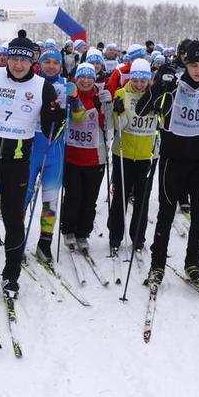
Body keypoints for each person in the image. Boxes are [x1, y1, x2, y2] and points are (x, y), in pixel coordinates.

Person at [0, 30, 65, 297]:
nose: (18, 65)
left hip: (16, 161)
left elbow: (52, 129)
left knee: (14, 219)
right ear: (7, 58)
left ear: (33, 62)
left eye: (24, 60)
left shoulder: (43, 86)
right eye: (14, 58)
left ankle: (11, 275)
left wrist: (56, 117)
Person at [136, 40, 199, 287]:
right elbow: (142, 110)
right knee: (166, 214)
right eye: (193, 64)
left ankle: (193, 264)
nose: (198, 70)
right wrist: (159, 85)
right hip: (172, 160)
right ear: (186, 63)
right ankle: (157, 265)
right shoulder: (175, 84)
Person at [108, 58, 158, 255]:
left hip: (147, 155)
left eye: (143, 81)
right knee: (120, 196)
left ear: (148, 80)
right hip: (123, 154)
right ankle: (115, 235)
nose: (139, 84)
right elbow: (118, 127)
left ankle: (138, 237)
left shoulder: (155, 96)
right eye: (136, 80)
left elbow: (162, 122)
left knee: (142, 199)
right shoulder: (122, 94)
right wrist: (119, 112)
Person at [58, 63, 107, 257]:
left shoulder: (99, 98)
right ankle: (68, 230)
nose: (86, 81)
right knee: (73, 196)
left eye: (89, 77)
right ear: (76, 79)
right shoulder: (69, 96)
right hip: (72, 156)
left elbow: (108, 126)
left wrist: (108, 107)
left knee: (89, 199)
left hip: (95, 158)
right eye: (82, 77)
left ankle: (83, 233)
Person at [25, 48, 68, 258]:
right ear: (39, 63)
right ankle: (17, 241)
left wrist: (75, 100)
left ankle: (45, 243)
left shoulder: (67, 86)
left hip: (55, 150)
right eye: (47, 62)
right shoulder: (30, 82)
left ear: (61, 65)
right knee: (22, 198)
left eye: (55, 62)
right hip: (31, 148)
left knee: (50, 200)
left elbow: (77, 118)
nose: (51, 65)